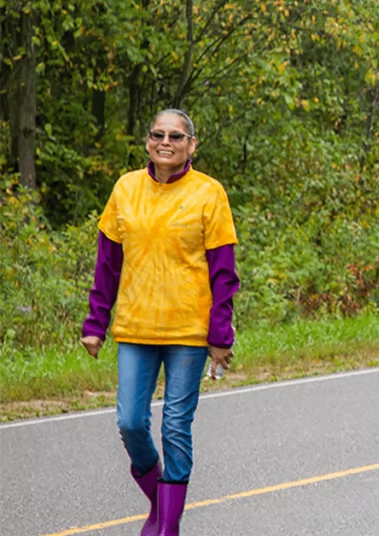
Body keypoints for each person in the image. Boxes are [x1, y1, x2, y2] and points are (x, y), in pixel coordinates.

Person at [80, 109, 240, 536]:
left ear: (192, 144)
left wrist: (220, 335)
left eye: (176, 136)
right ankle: (161, 502)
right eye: (157, 134)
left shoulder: (209, 193)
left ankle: (167, 527)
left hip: (188, 331)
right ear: (148, 141)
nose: (165, 142)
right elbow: (107, 265)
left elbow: (224, 273)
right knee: (131, 423)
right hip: (136, 327)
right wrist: (95, 323)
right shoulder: (126, 188)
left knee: (175, 426)